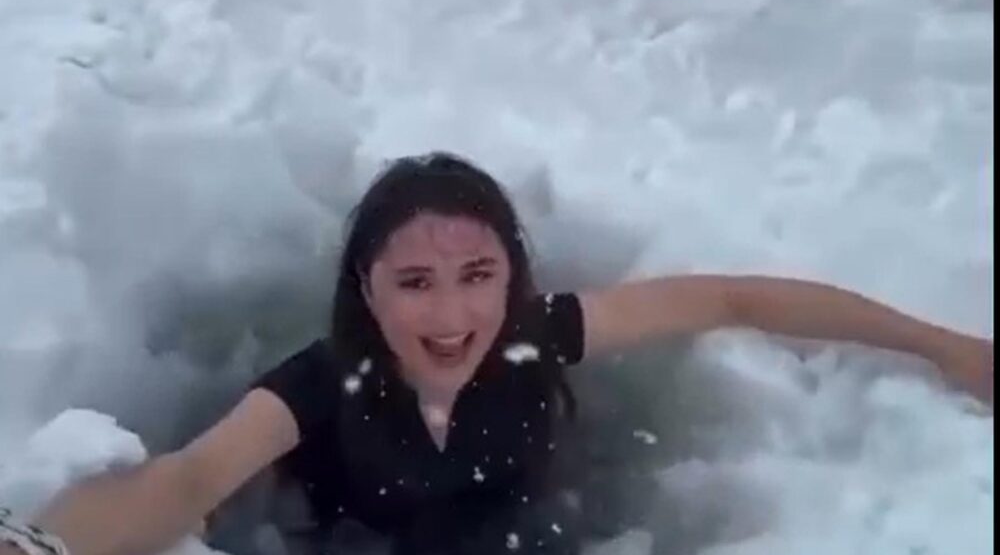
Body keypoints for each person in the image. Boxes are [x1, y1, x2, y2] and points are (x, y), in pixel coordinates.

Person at [0, 153, 992, 555]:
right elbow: (188, 478)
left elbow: (731, 297)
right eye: (414, 282)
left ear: (511, 277)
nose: (451, 315)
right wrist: (39, 546)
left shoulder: (538, 334)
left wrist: (945, 347)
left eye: (478, 275)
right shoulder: (322, 382)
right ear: (365, 291)